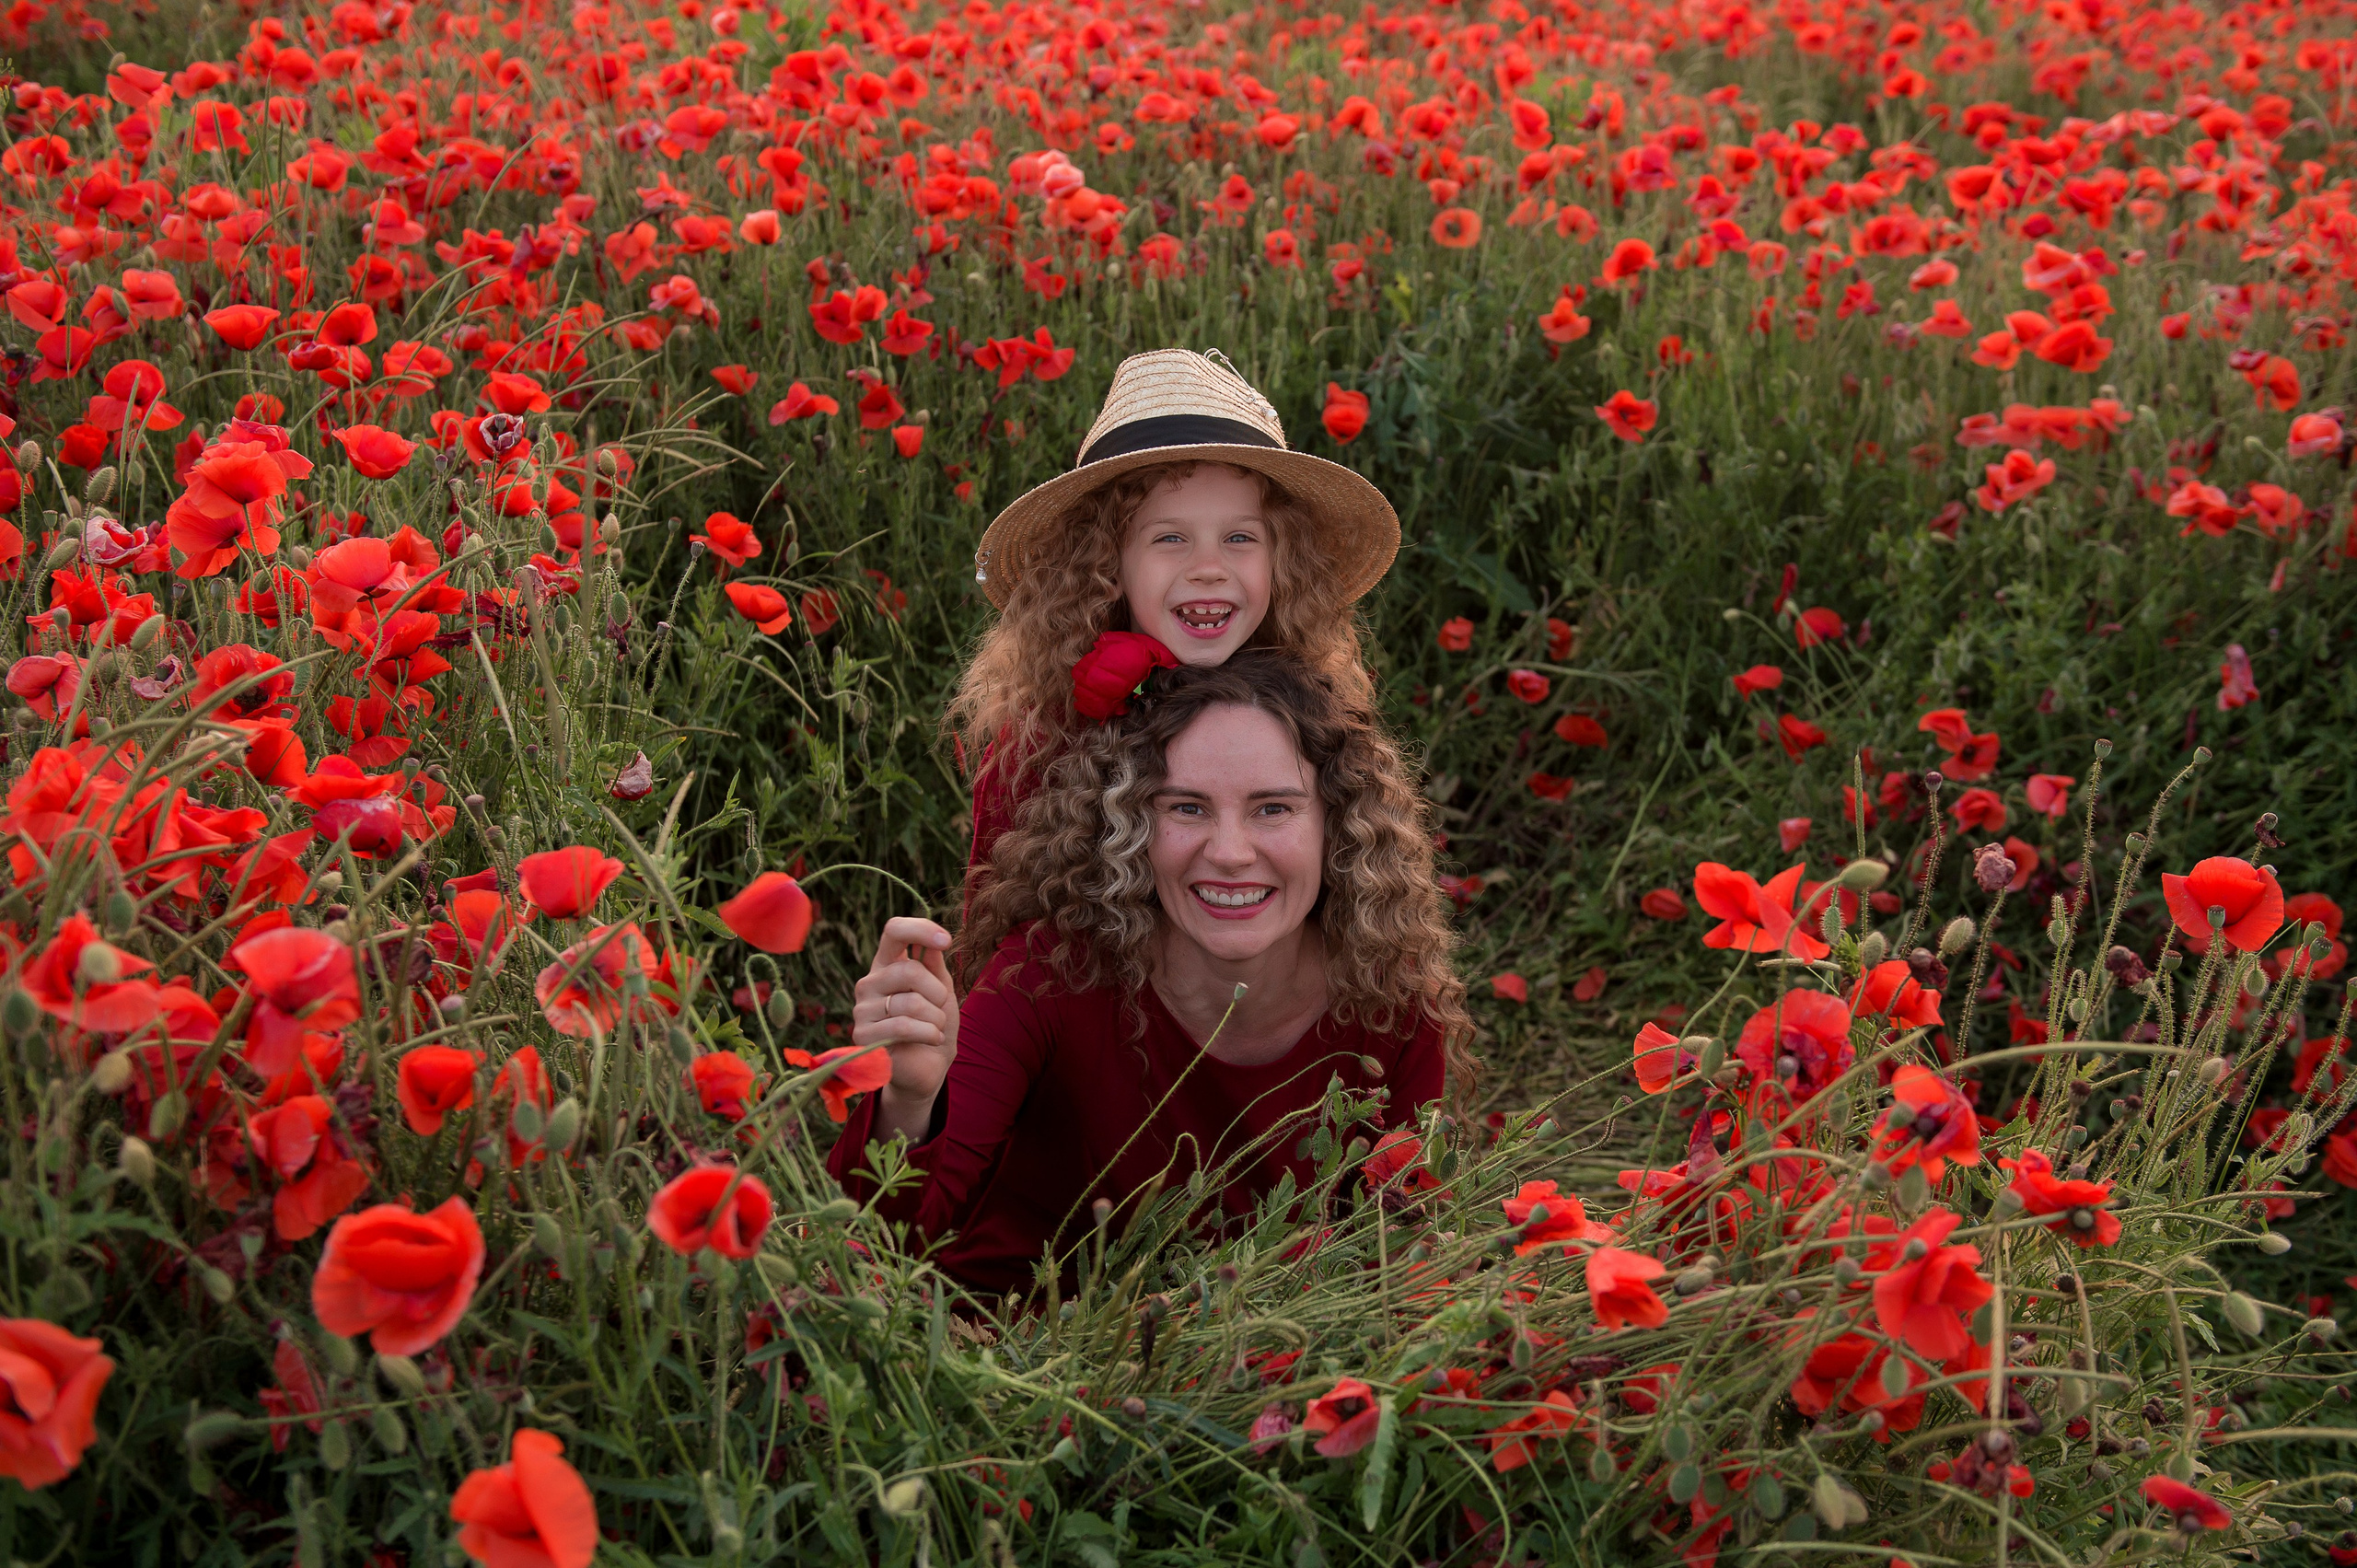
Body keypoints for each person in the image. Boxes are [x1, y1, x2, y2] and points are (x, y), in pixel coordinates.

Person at [831, 653, 1472, 1295]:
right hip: (1009, 1356)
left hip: (1256, 1373)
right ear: (1130, 823)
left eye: (1273, 808)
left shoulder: (1393, 1006)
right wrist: (911, 1102)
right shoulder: (1048, 974)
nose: (1228, 852)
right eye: (1186, 808)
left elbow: (1396, 1263)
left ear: (1337, 824)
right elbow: (876, 1252)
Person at [949, 347, 1400, 889]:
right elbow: (1000, 917)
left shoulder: (1318, 717)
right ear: (1107, 563)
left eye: (1240, 538)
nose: (1209, 569)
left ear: (1283, 561)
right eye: (1170, 538)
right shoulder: (1041, 737)